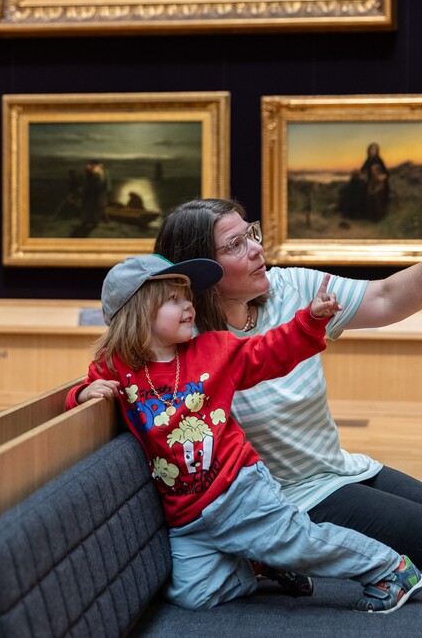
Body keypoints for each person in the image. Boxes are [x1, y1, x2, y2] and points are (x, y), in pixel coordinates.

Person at [66, 253, 422, 613]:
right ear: (137, 312)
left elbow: (269, 351)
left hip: (241, 489)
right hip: (187, 514)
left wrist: (310, 319)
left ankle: (390, 568)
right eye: (173, 300)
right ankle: (262, 563)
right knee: (193, 593)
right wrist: (81, 394)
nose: (189, 306)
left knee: (303, 541)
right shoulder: (116, 367)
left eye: (187, 297)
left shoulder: (213, 350)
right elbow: (83, 391)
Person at [153, 197, 422, 567]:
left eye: (250, 234)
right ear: (201, 270)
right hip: (289, 503)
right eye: (235, 245)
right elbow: (126, 364)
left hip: (341, 470)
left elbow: (386, 298)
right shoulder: (186, 342)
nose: (257, 248)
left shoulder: (289, 288)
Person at [360, 142, 390, 221]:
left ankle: (378, 217)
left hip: (379, 183)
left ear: (377, 151)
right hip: (370, 182)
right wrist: (363, 175)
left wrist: (382, 177)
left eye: (374, 149)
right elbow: (362, 169)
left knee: (377, 198)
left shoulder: (379, 159)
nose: (372, 151)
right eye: (371, 149)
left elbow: (385, 172)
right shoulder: (368, 160)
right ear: (369, 151)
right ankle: (369, 216)